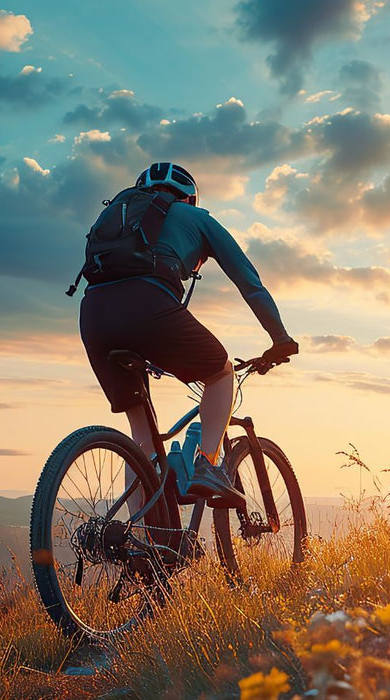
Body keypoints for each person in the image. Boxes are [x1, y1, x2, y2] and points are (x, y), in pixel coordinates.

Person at [78, 162, 298, 507]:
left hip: (93, 315)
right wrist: (280, 337)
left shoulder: (120, 218)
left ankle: (143, 541)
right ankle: (208, 465)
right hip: (147, 304)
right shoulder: (197, 219)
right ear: (188, 198)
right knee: (219, 370)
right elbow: (250, 284)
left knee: (142, 437)